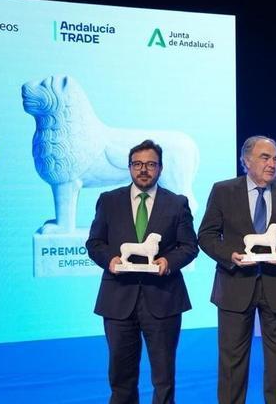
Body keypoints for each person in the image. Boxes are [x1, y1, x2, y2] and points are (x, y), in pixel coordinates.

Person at [198, 135, 276, 404]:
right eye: (265, 157)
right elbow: (206, 235)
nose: (272, 164)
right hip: (234, 284)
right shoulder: (223, 190)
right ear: (246, 161)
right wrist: (230, 255)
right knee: (232, 360)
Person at [86, 139, 199, 404]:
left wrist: (168, 262)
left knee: (163, 378)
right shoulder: (109, 201)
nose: (143, 170)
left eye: (150, 164)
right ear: (129, 167)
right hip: (118, 300)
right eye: (137, 164)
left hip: (163, 300)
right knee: (120, 377)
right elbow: (95, 243)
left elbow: (189, 246)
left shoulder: (177, 203)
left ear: (160, 168)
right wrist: (110, 260)